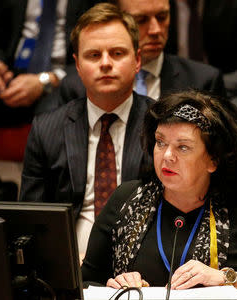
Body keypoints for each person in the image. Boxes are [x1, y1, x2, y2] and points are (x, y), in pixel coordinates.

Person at [81, 90, 237, 288]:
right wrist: (113, 285)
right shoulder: (126, 200)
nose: (167, 155)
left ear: (213, 160)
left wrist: (228, 278)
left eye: (183, 147)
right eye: (160, 142)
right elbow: (85, 282)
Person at [19, 3, 153, 255]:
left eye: (117, 53)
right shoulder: (47, 129)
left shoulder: (161, 124)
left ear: (137, 61)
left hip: (144, 268)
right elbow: (30, 221)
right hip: (69, 264)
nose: (105, 63)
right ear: (78, 66)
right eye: (93, 55)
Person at [0, 0, 94, 191]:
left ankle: (44, 213)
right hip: (7, 78)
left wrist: (46, 80)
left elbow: (97, 50)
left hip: (60, 80)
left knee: (51, 123)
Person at [41, 0, 226, 111]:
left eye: (162, 17)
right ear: (117, 20)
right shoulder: (76, 86)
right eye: (141, 20)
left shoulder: (203, 82)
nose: (155, 30)